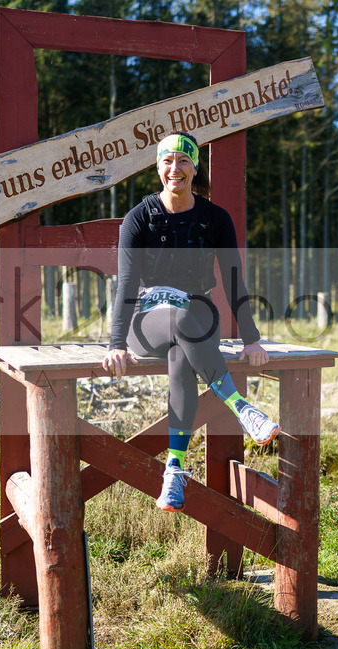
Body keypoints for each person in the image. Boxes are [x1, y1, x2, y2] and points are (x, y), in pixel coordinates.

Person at [102, 132, 278, 512]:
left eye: (183, 160)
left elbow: (233, 279)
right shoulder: (138, 219)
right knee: (179, 319)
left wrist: (251, 338)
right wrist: (116, 344)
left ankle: (174, 469)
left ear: (195, 167)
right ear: (157, 168)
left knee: (181, 355)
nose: (175, 168)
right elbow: (127, 285)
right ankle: (240, 407)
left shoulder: (215, 219)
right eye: (167, 161)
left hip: (198, 318)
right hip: (147, 321)